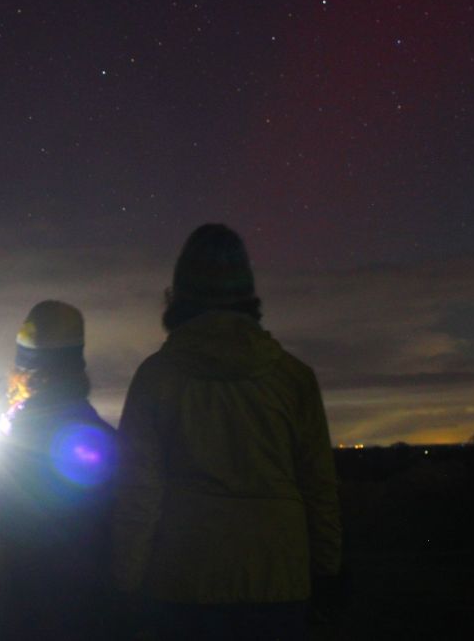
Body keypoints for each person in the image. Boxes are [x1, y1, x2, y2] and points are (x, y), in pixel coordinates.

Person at [111, 224, 342, 640]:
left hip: (182, 584)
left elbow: (137, 493)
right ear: (246, 292)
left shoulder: (155, 378)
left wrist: (123, 583)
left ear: (179, 292)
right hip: (279, 582)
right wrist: (328, 571)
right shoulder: (294, 379)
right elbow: (320, 489)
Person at [0, 300, 117, 640]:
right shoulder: (107, 442)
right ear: (78, 364)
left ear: (22, 369)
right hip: (87, 607)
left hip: (16, 607)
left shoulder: (1, 446)